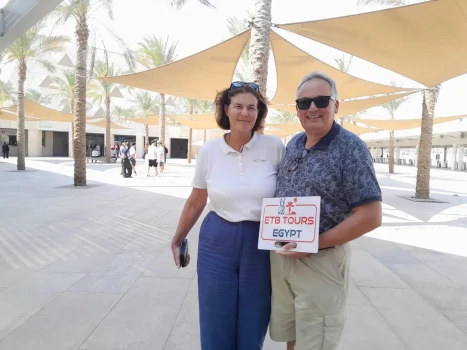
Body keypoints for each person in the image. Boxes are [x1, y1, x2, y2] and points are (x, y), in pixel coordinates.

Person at [269, 72, 383, 350]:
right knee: (293, 332)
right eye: (303, 103)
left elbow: (371, 215)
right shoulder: (294, 143)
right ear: (296, 109)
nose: (312, 109)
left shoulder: (351, 148)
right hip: (283, 257)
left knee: (316, 340)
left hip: (322, 261)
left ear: (336, 105)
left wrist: (313, 244)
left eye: (321, 100)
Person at [171, 81, 285, 350]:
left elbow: (290, 194)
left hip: (261, 240)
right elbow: (197, 199)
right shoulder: (210, 151)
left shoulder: (273, 147)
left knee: (254, 315)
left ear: (258, 113)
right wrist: (178, 238)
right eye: (238, 106)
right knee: (215, 314)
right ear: (226, 110)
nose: (245, 113)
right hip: (218, 237)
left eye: (251, 108)